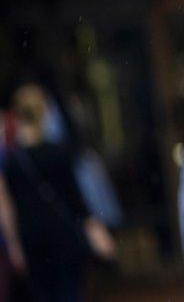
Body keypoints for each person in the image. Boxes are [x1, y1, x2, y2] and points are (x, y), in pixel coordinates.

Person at [3, 83, 116, 302]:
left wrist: (14, 244)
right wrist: (93, 226)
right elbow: (76, 199)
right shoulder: (59, 154)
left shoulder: (12, 162)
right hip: (63, 235)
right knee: (69, 293)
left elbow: (9, 207)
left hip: (32, 239)